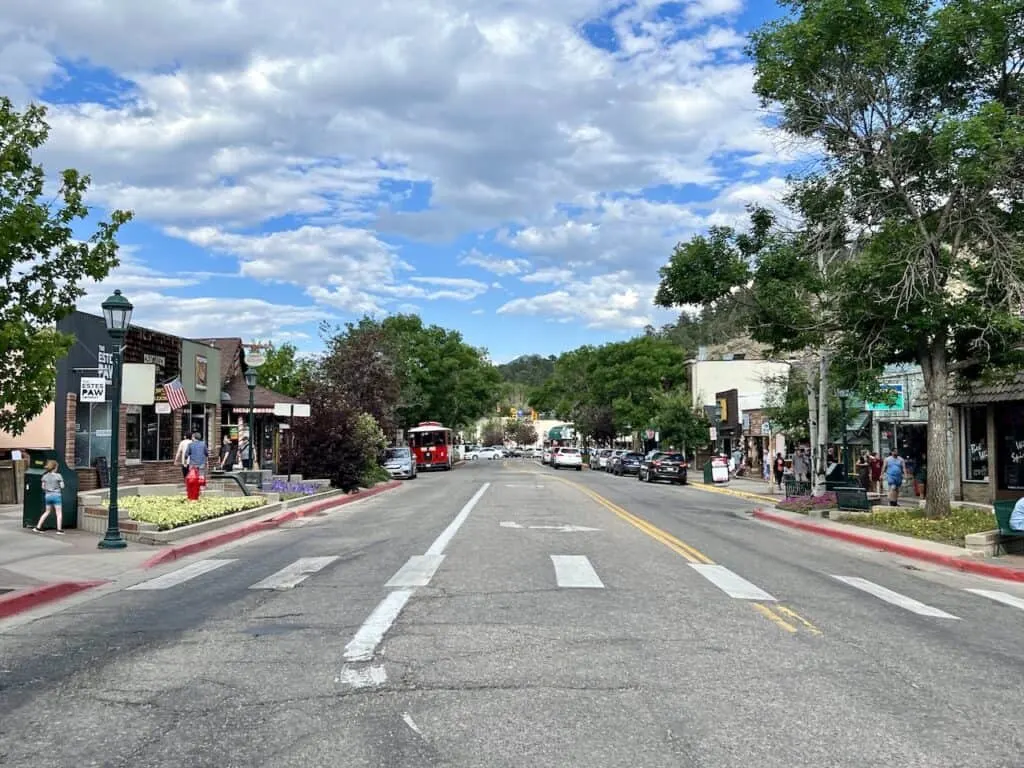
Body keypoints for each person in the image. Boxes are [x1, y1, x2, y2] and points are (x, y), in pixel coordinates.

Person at [32, 460, 65, 534]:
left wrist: (49, 488)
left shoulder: (44, 476)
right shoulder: (58, 476)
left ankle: (38, 527)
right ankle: (59, 530)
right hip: (56, 496)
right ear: (55, 467)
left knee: (47, 512)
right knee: (59, 513)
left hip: (48, 496)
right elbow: (62, 486)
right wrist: (57, 486)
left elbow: (43, 487)